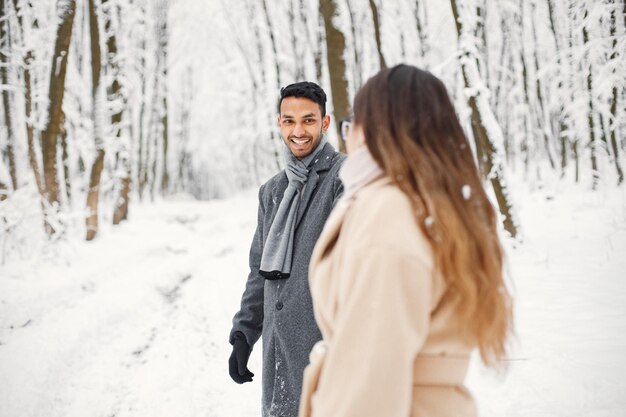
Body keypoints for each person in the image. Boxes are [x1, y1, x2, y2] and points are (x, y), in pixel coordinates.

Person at [298, 64, 513, 417]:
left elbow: (370, 382)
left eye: (351, 124)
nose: (346, 138)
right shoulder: (434, 203)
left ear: (370, 130)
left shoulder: (388, 212)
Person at [229, 81, 346, 417]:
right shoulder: (273, 192)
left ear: (324, 123)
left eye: (308, 120)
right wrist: (244, 332)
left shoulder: (344, 178)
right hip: (278, 353)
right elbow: (259, 271)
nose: (298, 131)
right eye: (289, 120)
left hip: (325, 350)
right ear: (279, 122)